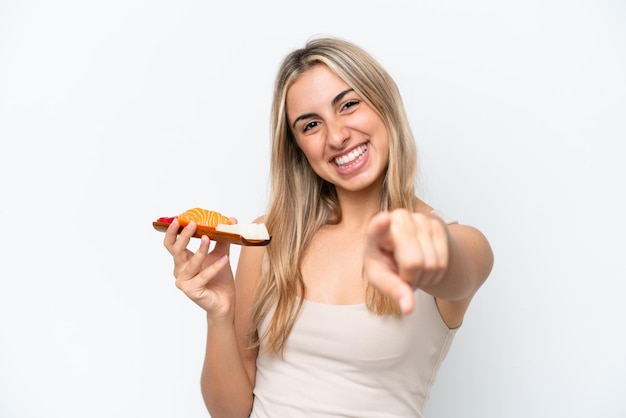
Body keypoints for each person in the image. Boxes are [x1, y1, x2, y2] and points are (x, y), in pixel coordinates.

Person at [163, 36, 494, 418]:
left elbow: (457, 268)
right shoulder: (269, 239)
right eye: (310, 125)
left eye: (349, 105)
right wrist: (219, 314)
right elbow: (231, 413)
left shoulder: (460, 241)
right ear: (297, 147)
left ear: (384, 103)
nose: (336, 136)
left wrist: (426, 253)